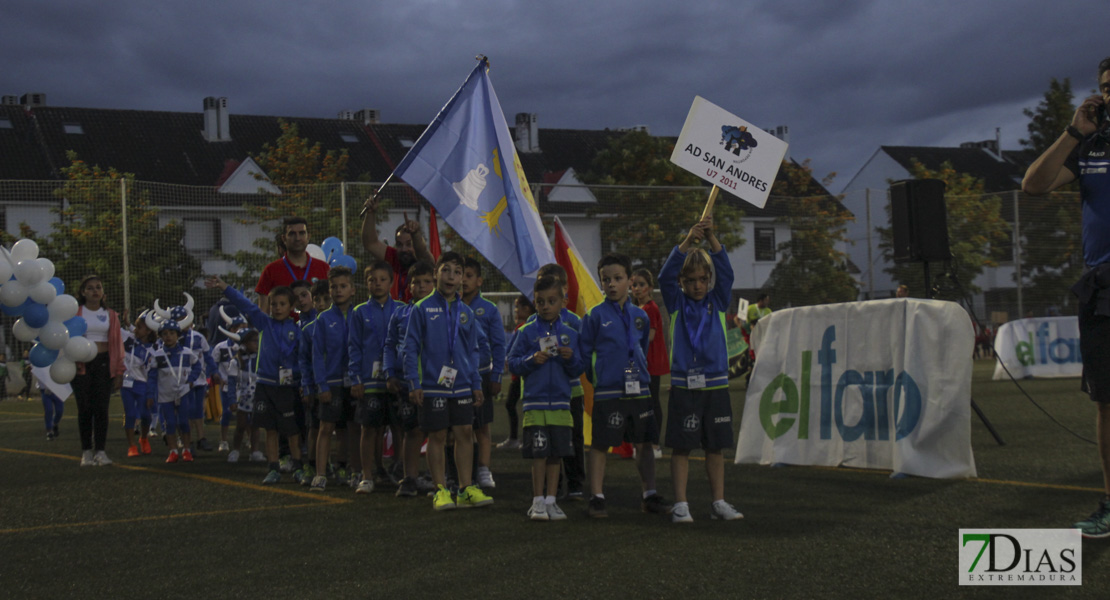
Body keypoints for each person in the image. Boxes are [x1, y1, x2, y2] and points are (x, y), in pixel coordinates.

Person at [1022, 56, 1110, 538]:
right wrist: (1074, 132)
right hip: (1103, 289)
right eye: (1105, 87)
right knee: (1107, 404)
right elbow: (1033, 185)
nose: (1108, 94)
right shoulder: (1091, 146)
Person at [658, 215, 743, 522]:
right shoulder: (676, 301)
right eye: (690, 280)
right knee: (682, 447)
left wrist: (711, 240)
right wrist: (688, 239)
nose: (697, 285)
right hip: (684, 385)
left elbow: (727, 273)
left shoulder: (718, 300)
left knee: (716, 447)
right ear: (683, 282)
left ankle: (718, 502)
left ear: (709, 280)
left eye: (702, 279)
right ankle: (681, 504)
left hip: (716, 384)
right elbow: (664, 276)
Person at [579, 253, 670, 518]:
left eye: (617, 279)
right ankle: (597, 497)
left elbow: (639, 350)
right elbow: (585, 353)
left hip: (638, 391)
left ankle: (649, 494)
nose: (611, 284)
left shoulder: (639, 316)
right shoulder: (594, 316)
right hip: (608, 392)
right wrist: (599, 377)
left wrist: (634, 374)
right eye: (606, 280)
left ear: (629, 281)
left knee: (644, 443)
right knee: (600, 444)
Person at [403, 251, 493, 510]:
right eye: (446, 270)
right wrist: (414, 382)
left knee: (465, 432)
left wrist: (476, 383)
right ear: (436, 274)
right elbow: (410, 348)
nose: (452, 276)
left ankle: (465, 488)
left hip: (462, 384)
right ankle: (440, 489)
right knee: (438, 435)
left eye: (458, 272)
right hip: (432, 385)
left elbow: (473, 350)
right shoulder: (421, 309)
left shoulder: (466, 312)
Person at [207, 275, 307, 485]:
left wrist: (301, 382)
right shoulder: (264, 323)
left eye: (282, 304)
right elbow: (246, 304)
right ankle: (273, 468)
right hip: (265, 385)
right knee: (269, 429)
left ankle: (298, 466)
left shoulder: (297, 331)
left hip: (287, 387)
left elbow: (302, 359)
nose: (277, 308)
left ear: (291, 306)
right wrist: (225, 287)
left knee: (292, 430)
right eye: (273, 304)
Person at [508, 275, 585, 521]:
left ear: (563, 301)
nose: (545, 306)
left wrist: (570, 358)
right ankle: (537, 501)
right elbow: (512, 364)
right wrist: (532, 360)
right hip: (534, 403)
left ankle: (552, 500)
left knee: (556, 453)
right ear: (535, 302)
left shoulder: (570, 333)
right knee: (539, 453)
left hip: (562, 404)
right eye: (540, 302)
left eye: (551, 301)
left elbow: (578, 369)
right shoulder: (527, 332)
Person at [531, 263, 588, 499]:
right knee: (545, 441)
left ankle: (575, 483)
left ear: (564, 290)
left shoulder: (574, 322)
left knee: (573, 437)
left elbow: (584, 354)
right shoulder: (531, 326)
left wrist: (573, 357)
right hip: (542, 395)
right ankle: (549, 488)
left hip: (571, 392)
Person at [349, 260, 404, 493]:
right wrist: (356, 378)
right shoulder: (359, 312)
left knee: (400, 427)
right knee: (369, 428)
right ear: (366, 283)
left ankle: (400, 471)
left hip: (397, 381)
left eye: (383, 279)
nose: (378, 284)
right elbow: (353, 347)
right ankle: (367, 475)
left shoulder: (402, 309)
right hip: (370, 382)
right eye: (372, 280)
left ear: (391, 282)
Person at [385, 261, 437, 497]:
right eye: (418, 282)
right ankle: (410, 478)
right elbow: (389, 345)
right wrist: (390, 372)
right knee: (412, 431)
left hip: (437, 384)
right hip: (409, 383)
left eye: (428, 281)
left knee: (439, 433)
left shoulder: (442, 311)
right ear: (409, 286)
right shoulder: (400, 313)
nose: (423, 286)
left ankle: (441, 480)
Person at [310, 266, 358, 492]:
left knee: (351, 429)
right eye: (334, 287)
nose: (338, 291)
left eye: (343, 286)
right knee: (326, 428)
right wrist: (322, 384)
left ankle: (347, 469)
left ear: (352, 290)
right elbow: (317, 355)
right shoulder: (323, 319)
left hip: (356, 383)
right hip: (332, 384)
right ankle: (320, 474)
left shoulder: (360, 315)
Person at [461, 257, 506, 489]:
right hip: (457, 378)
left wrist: (496, 375)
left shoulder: (488, 309)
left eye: (469, 276)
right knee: (460, 428)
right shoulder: (450, 306)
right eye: (461, 275)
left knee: (482, 426)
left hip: (482, 375)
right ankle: (461, 472)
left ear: (479, 281)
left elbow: (499, 344)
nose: (463, 281)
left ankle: (484, 469)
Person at [73, 275, 125, 467]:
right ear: (83, 292)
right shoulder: (76, 312)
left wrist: (119, 371)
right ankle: (86, 452)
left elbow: (118, 343)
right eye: (90, 288)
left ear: (103, 292)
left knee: (101, 409)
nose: (95, 291)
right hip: (82, 364)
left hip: (104, 364)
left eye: (98, 287)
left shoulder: (111, 314)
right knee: (84, 408)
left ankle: (100, 451)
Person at [146, 318, 202, 464]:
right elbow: (151, 378)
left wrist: (191, 380)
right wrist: (150, 394)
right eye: (164, 334)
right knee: (170, 423)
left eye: (171, 333)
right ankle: (172, 451)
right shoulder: (157, 356)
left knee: (184, 422)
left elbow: (197, 366)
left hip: (183, 392)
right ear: (160, 336)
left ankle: (187, 450)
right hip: (165, 395)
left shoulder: (187, 353)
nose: (168, 336)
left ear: (178, 335)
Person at [360, 195, 435, 302]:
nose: (404, 249)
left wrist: (416, 234)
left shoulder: (424, 263)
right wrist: (370, 213)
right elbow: (370, 243)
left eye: (409, 244)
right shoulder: (394, 257)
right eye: (399, 244)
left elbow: (422, 253)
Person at [255, 216, 330, 314]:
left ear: (308, 236)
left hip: (318, 328)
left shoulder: (323, 268)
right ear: (284, 238)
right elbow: (263, 312)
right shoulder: (271, 271)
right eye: (292, 234)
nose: (297, 238)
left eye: (302, 233)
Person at [632, 267, 669, 460]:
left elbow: (651, 336)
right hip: (641, 363)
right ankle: (641, 442)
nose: (637, 289)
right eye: (634, 285)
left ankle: (655, 444)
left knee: (653, 401)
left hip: (651, 362)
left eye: (641, 285)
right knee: (641, 403)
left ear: (650, 287)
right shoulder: (637, 309)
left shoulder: (651, 309)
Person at [296, 279, 329, 485]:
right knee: (315, 426)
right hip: (316, 387)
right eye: (318, 299)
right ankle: (312, 464)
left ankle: (341, 466)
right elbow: (304, 361)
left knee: (342, 427)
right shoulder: (308, 329)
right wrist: (307, 386)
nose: (322, 304)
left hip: (337, 384)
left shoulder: (346, 322)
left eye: (327, 299)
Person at [497, 295, 535, 450]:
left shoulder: (527, 327)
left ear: (527, 309)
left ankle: (523, 439)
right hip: (519, 375)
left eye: (517, 307)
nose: (515, 310)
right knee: (513, 405)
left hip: (523, 375)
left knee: (520, 406)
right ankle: (521, 439)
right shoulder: (522, 327)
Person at [121, 311, 158, 457]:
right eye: (135, 327)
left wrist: (151, 392)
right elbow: (116, 329)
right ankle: (132, 445)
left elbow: (153, 372)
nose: (136, 330)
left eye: (139, 327)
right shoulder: (129, 338)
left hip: (143, 384)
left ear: (148, 331)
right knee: (130, 414)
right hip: (126, 382)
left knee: (145, 414)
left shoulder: (154, 348)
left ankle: (143, 438)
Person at [212, 309, 247, 452]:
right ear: (229, 329)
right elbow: (213, 364)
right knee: (226, 413)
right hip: (227, 386)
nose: (238, 330)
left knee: (247, 415)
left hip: (244, 386)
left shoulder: (247, 345)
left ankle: (250, 440)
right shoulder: (221, 347)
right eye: (235, 327)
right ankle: (224, 440)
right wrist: (218, 377)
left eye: (241, 327)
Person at [227, 329, 262, 463]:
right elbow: (231, 383)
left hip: (257, 396)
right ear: (245, 343)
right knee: (241, 425)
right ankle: (235, 450)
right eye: (254, 341)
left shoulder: (260, 358)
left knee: (255, 425)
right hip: (242, 397)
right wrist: (232, 399)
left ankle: (255, 451)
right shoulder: (236, 362)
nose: (257, 344)